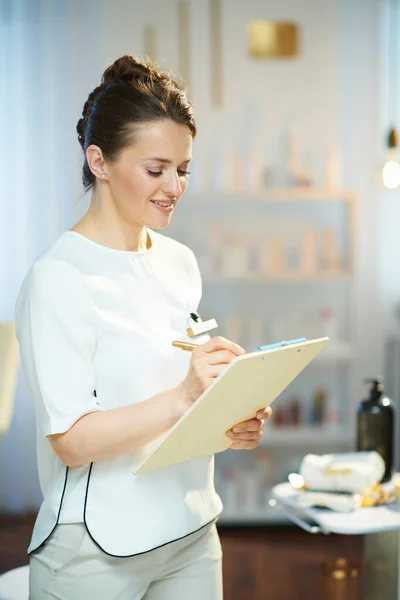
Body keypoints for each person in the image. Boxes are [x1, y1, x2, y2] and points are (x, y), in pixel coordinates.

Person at [15, 55, 272, 600]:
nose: (174, 186)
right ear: (99, 161)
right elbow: (72, 440)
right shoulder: (59, 277)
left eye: (183, 169)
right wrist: (186, 396)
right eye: (156, 169)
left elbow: (170, 394)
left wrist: (228, 415)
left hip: (191, 531)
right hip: (95, 547)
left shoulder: (179, 261)